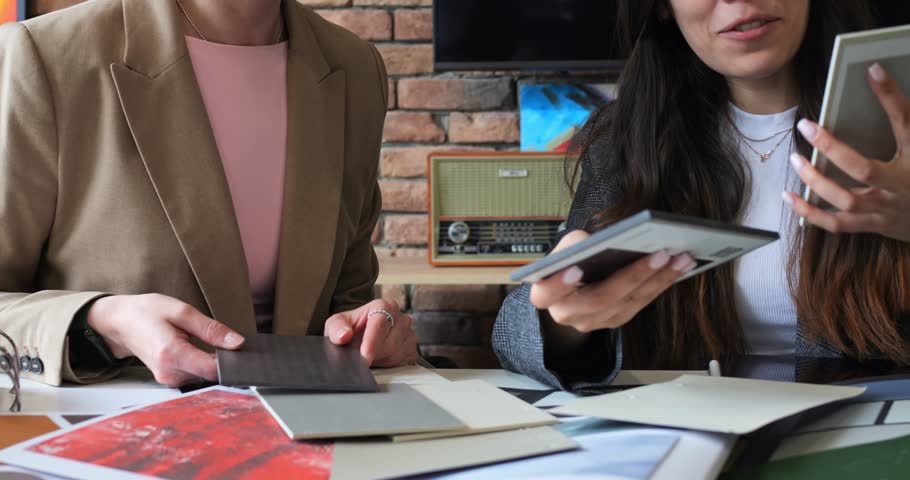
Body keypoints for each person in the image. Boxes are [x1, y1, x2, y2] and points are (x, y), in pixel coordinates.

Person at [493, 0, 910, 393]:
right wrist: (567, 325)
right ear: (661, 7)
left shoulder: (900, 123)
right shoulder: (631, 139)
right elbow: (515, 332)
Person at [0, 0, 417, 388]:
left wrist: (376, 330)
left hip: (314, 440)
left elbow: (348, 299)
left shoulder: (356, 67)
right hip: (117, 438)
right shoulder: (45, 55)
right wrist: (100, 324)